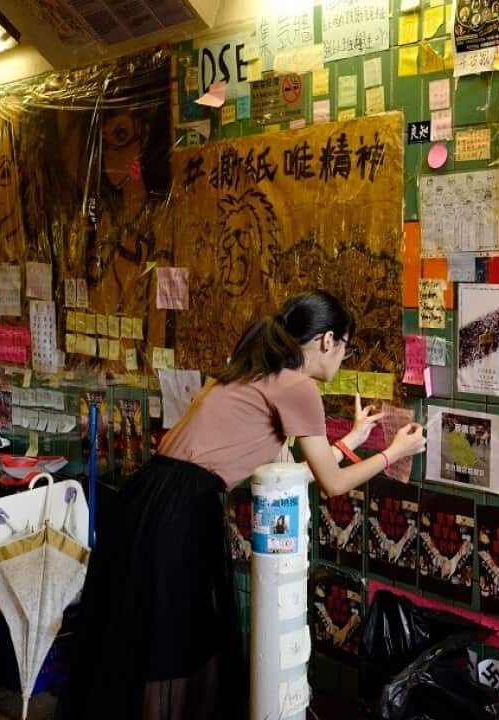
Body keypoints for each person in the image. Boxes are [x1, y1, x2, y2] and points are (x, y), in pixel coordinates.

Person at [63, 290, 427, 720]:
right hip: (179, 513)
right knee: (175, 640)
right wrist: (392, 454)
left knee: (147, 634)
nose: (342, 359)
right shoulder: (299, 387)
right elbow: (332, 484)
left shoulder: (249, 373)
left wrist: (350, 442)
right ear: (328, 341)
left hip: (149, 501)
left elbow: (287, 477)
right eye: (346, 348)